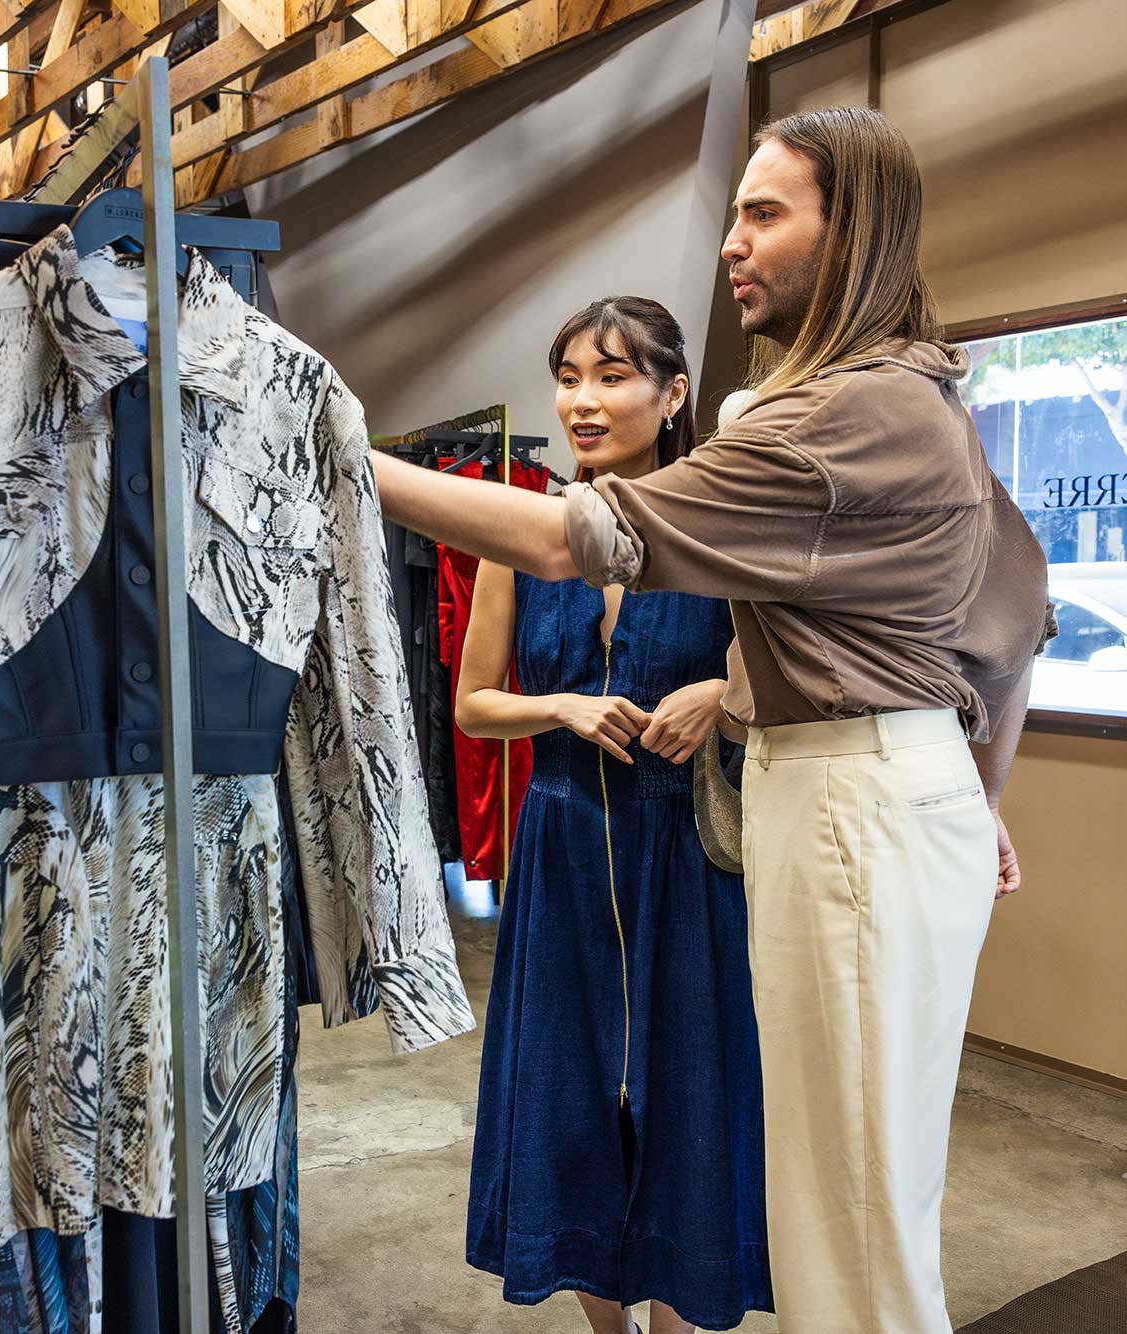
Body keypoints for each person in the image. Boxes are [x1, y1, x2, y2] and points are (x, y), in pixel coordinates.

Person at [372, 107, 1052, 1334]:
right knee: (841, 1208)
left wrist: (340, 454)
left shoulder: (835, 414)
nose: (729, 241)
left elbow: (567, 533)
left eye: (762, 212)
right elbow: (1020, 605)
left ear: (849, 234)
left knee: (845, 1231)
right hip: (814, 798)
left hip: (834, 801)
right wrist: (973, 788)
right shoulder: (903, 400)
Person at [462, 298, 772, 1334]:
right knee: (568, 1091)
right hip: (557, 844)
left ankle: (676, 1320)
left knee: (683, 1085)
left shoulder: (718, 526)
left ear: (672, 392)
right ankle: (608, 1327)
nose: (581, 401)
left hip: (681, 845)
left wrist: (714, 696)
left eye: (610, 376)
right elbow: (470, 702)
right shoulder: (522, 531)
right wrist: (558, 703)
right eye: (568, 377)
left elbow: (779, 669)